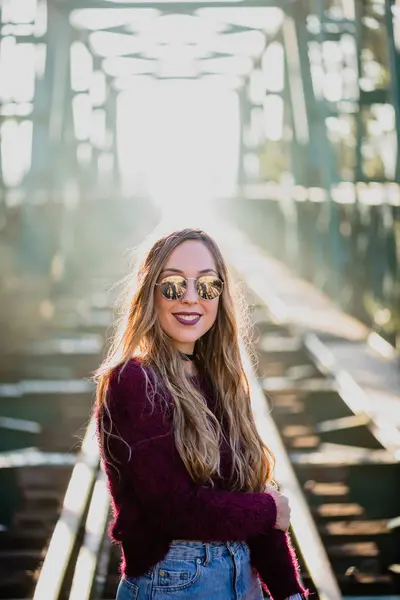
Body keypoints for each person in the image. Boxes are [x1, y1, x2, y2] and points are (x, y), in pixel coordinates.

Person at [94, 228, 308, 600]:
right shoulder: (133, 381)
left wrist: (290, 594)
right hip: (175, 584)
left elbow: (250, 494)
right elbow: (174, 509)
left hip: (245, 581)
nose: (192, 298)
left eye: (207, 286)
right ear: (150, 293)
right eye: (174, 285)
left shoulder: (219, 381)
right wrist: (267, 509)